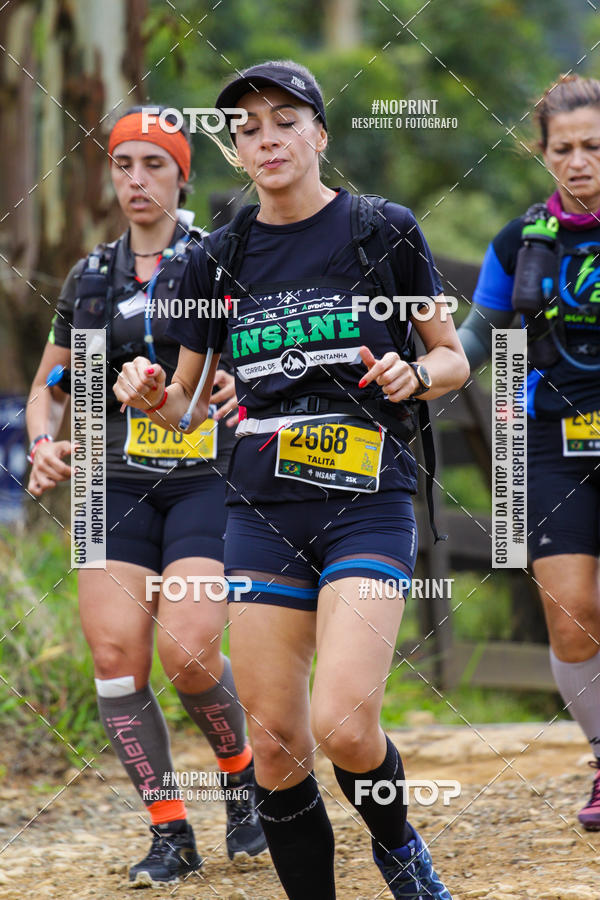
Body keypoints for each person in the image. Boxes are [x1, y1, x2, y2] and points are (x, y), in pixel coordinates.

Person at [114, 61, 468, 899]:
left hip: (366, 501)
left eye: (284, 120)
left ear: (319, 133)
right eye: (248, 129)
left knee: (343, 723)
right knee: (274, 744)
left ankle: (400, 852)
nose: (266, 139)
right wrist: (152, 396)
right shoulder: (217, 258)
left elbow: (451, 356)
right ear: (237, 152)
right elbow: (188, 410)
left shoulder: (382, 230)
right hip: (261, 511)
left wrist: (417, 375)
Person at [26, 106, 267, 885]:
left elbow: (261, 357)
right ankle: (170, 832)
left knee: (189, 653)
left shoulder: (217, 260)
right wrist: (42, 444)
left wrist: (234, 385)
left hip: (205, 476)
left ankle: (242, 784)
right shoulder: (91, 277)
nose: (136, 179)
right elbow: (48, 387)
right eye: (123, 163)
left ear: (182, 175)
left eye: (154, 164)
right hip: (111, 482)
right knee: (114, 659)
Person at [458, 74, 600, 830]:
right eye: (564, 149)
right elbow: (476, 338)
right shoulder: (518, 242)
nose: (579, 162)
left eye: (594, 147)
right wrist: (422, 369)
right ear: (543, 153)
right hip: (548, 441)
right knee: (572, 615)